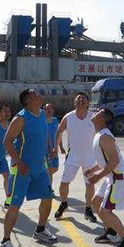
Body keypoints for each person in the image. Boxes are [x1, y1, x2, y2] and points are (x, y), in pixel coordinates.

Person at [0, 90, 56, 247]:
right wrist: (19, 161)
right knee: (15, 205)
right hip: (23, 170)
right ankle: (5, 242)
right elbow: (7, 141)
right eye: (36, 95)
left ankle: (40, 230)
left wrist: (50, 149)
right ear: (29, 101)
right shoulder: (21, 118)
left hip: (40, 168)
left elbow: (44, 133)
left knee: (48, 198)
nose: (40, 96)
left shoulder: (42, 114)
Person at [84, 108, 124, 247]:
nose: (94, 112)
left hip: (119, 178)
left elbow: (114, 160)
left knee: (105, 211)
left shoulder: (105, 137)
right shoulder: (100, 134)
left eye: (98, 112)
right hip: (112, 177)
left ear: (102, 119)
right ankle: (112, 233)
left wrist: (97, 176)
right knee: (95, 202)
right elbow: (105, 160)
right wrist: (93, 170)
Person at [52, 93, 98, 223]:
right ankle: (64, 203)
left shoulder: (94, 117)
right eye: (78, 99)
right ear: (74, 102)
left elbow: (101, 134)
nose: (81, 101)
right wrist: (56, 148)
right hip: (73, 157)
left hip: (89, 158)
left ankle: (88, 209)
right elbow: (59, 131)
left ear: (88, 103)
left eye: (84, 99)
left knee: (90, 185)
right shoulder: (68, 117)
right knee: (64, 184)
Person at [45, 103, 65, 184]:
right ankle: (49, 188)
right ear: (44, 110)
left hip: (55, 149)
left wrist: (61, 147)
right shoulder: (41, 121)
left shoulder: (55, 120)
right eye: (47, 109)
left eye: (51, 108)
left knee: (55, 168)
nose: (49, 110)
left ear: (53, 110)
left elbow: (59, 134)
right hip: (45, 150)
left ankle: (46, 183)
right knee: (49, 169)